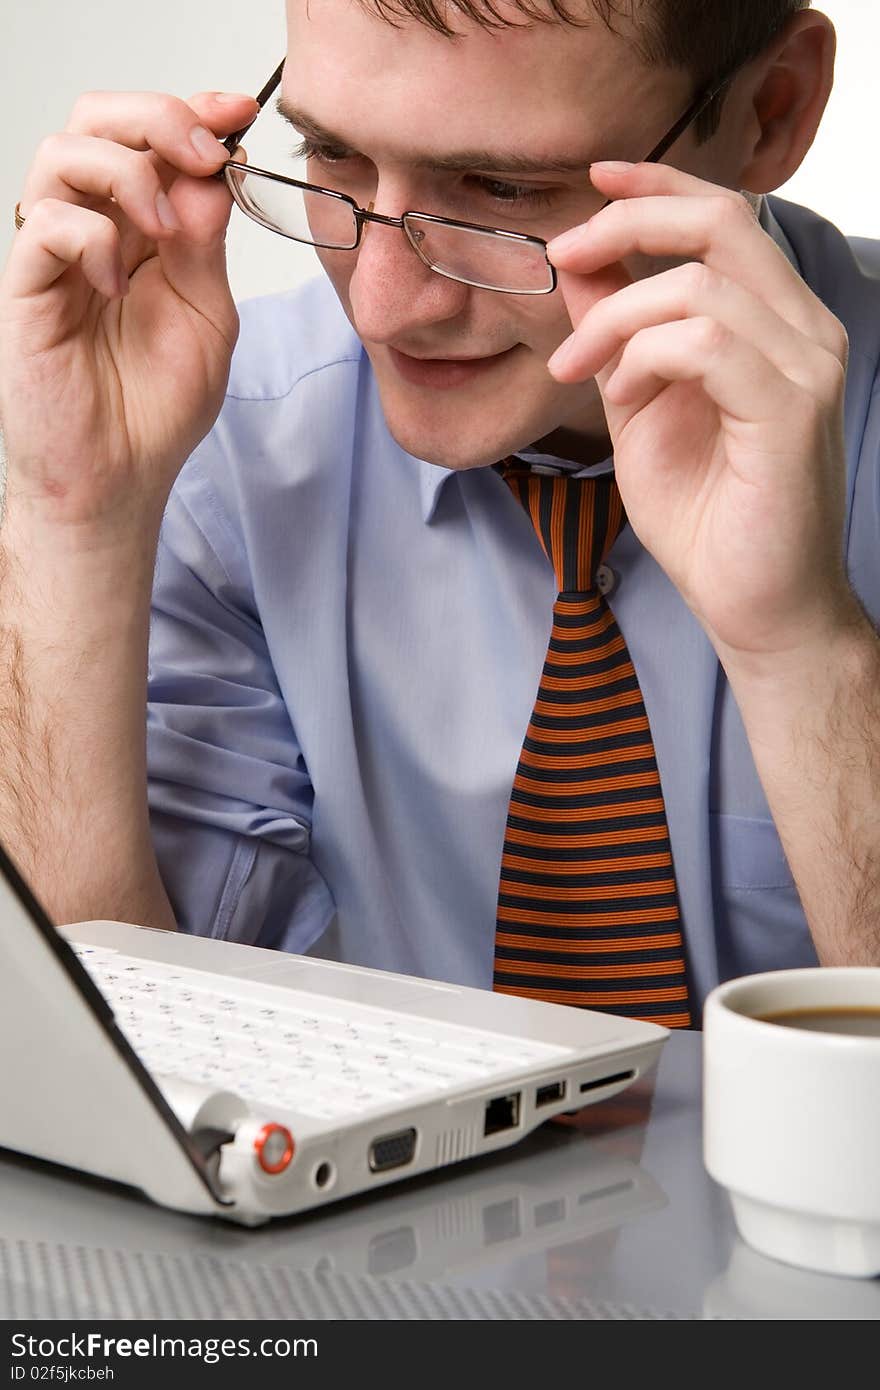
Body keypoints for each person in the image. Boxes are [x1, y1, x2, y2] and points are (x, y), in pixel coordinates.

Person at [1, 0, 878, 1029]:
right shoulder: (213, 447)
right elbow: (124, 1073)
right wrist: (71, 521)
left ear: (769, 112)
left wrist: (803, 650)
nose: (380, 303)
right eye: (330, 155)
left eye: (505, 189)